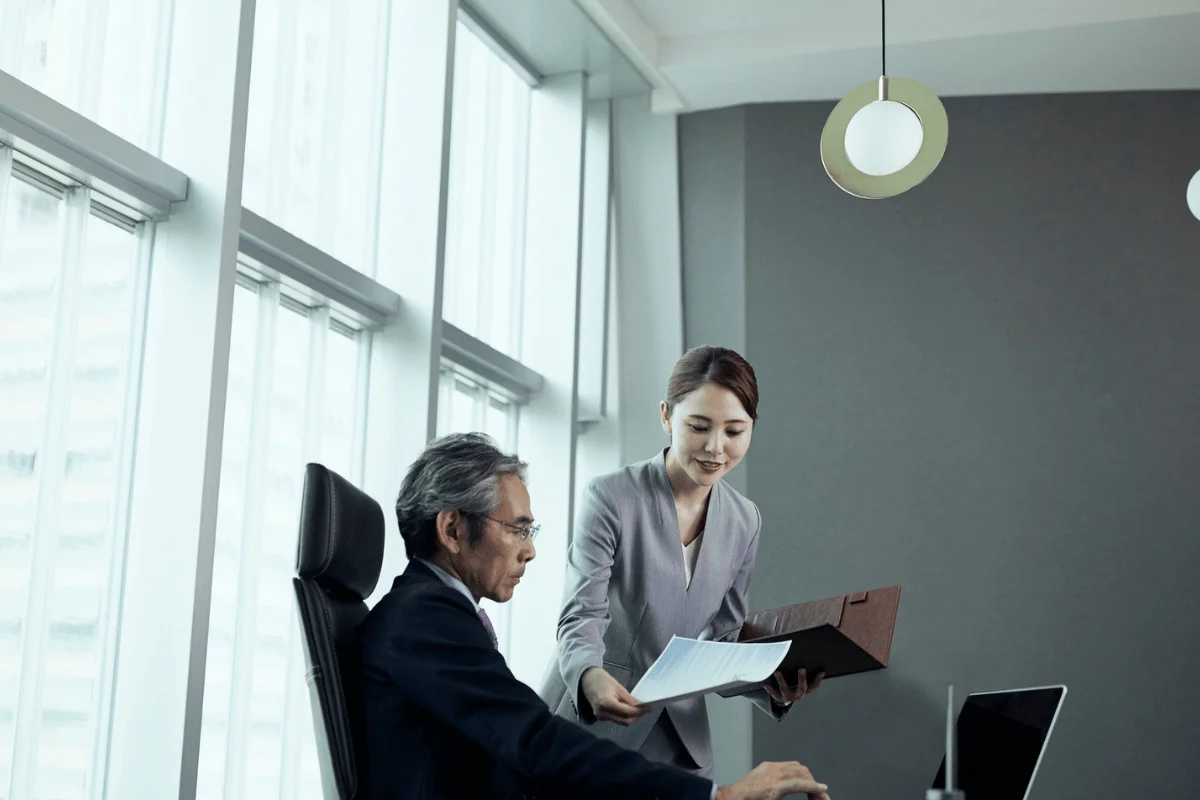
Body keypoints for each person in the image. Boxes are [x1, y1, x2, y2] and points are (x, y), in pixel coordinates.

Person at [352, 432, 832, 800]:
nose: (530, 550)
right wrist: (719, 797)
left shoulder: (427, 612)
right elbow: (532, 740)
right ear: (453, 529)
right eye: (517, 530)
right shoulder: (426, 619)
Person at [540, 346, 822, 778]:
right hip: (593, 722)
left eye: (734, 431)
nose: (715, 448)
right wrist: (588, 675)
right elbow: (582, 613)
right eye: (699, 427)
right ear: (666, 417)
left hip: (682, 743)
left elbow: (723, 639)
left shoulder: (745, 520)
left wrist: (772, 686)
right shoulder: (611, 497)